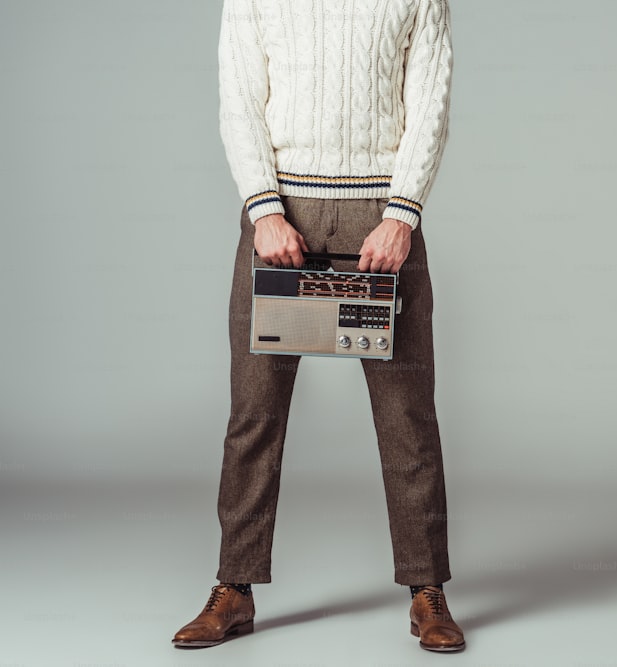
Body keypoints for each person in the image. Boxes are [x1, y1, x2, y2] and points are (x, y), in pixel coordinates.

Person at [172, 0, 463, 652]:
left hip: (382, 221)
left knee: (408, 416)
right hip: (282, 220)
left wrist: (403, 214)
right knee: (254, 413)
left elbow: (430, 106)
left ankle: (428, 589)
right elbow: (240, 101)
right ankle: (234, 587)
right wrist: (263, 210)